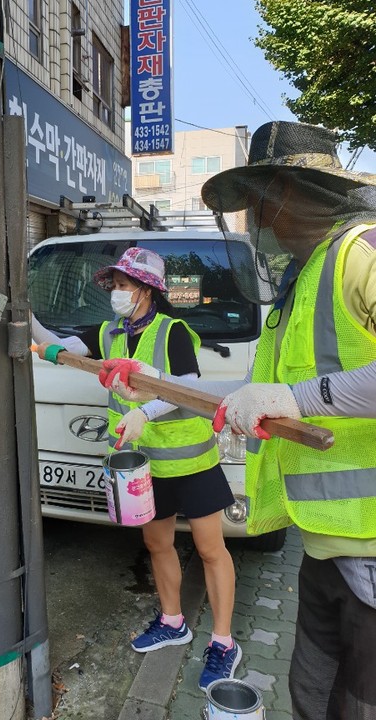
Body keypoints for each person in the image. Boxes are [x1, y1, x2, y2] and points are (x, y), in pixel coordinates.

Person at [97, 122, 376, 720]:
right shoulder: (302, 283)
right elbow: (250, 390)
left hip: (370, 546)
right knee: (314, 696)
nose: (256, 218)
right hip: (327, 546)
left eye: (259, 199)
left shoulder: (363, 252)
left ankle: (221, 640)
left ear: (293, 191)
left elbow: (291, 395)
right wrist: (153, 387)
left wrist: (297, 400)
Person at [32, 246, 242, 692]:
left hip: (190, 463)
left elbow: (187, 388)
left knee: (209, 548)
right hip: (142, 466)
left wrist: (145, 412)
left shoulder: (173, 332)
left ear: (147, 290)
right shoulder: (107, 332)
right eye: (113, 285)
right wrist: (25, 318)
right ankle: (172, 621)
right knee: (157, 542)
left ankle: (223, 643)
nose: (116, 293)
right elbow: (58, 346)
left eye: (124, 285)